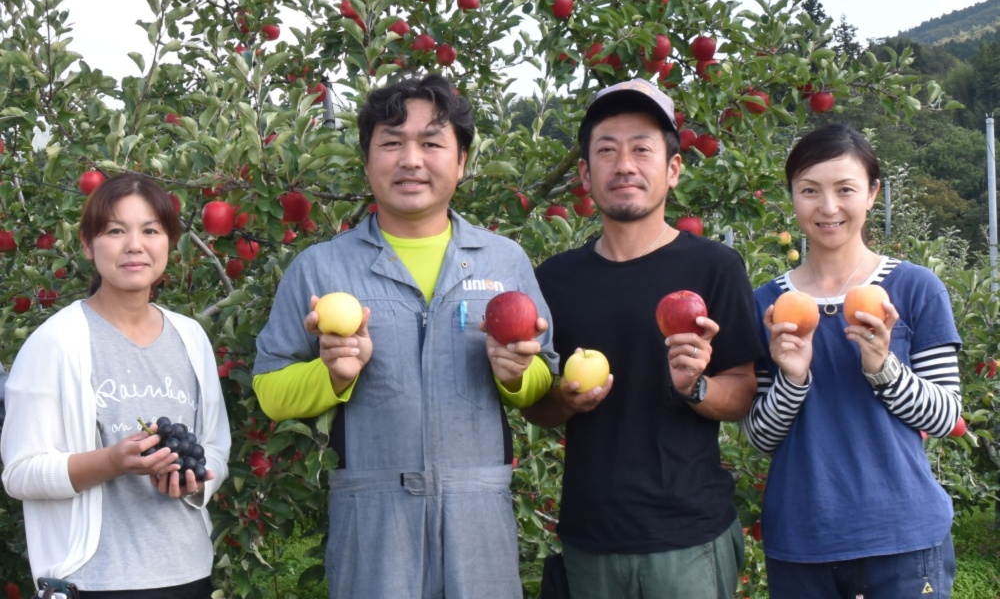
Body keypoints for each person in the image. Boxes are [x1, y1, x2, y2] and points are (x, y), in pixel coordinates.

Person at [253, 74, 559, 599]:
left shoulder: (504, 261)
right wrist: (332, 374)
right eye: (392, 143)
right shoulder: (323, 269)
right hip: (373, 518)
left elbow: (542, 376)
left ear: (461, 162)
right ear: (368, 160)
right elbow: (270, 390)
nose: (411, 159)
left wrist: (517, 375)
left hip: (478, 514)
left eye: (432, 143)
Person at [524, 78, 764, 599]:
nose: (624, 165)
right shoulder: (555, 280)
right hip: (592, 535)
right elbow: (536, 408)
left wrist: (696, 385)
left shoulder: (714, 267)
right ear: (585, 174)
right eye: (606, 151)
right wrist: (562, 399)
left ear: (673, 169)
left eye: (642, 149)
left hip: (689, 536)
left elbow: (743, 389)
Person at [741, 123, 961, 598]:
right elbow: (759, 436)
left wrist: (882, 364)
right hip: (803, 538)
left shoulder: (914, 288)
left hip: (902, 538)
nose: (828, 207)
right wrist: (792, 379)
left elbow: (946, 415)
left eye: (845, 189)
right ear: (792, 196)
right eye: (809, 190)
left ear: (872, 194)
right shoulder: (767, 304)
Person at [1, 174, 230, 598]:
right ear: (88, 245)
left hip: (187, 574)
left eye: (150, 230)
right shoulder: (55, 342)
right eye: (115, 231)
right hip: (92, 581)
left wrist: (195, 480)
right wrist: (113, 461)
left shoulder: (190, 337)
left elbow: (215, 444)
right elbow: (20, 473)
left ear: (169, 242)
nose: (134, 246)